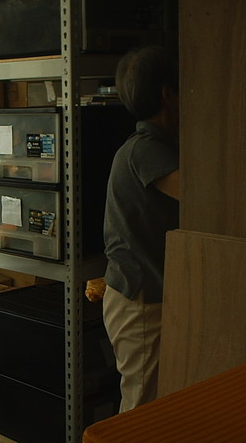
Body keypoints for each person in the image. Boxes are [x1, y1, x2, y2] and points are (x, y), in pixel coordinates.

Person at [102, 45, 180, 413]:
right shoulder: (146, 149)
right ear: (168, 94)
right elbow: (208, 199)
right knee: (141, 410)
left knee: (152, 405)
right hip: (141, 301)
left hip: (144, 297)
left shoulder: (153, 146)